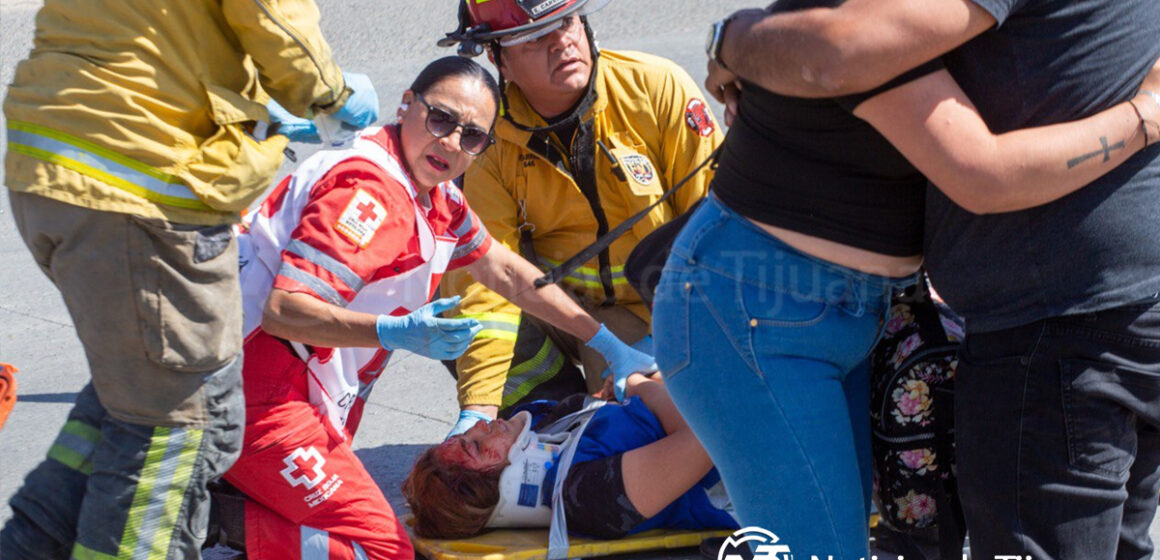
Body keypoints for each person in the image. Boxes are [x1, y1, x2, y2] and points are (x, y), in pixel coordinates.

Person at [647, 1, 1160, 558]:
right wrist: (1145, 115)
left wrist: (731, 40)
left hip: (838, 313)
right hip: (750, 312)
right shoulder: (865, 29)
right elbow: (980, 172)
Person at [217, 56, 656, 560]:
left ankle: (234, 499)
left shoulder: (434, 194)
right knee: (384, 549)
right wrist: (391, 333)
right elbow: (286, 309)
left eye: (472, 136)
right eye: (441, 119)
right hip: (263, 393)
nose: (451, 143)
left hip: (293, 382)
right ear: (407, 103)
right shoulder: (373, 195)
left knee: (328, 521)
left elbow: (507, 271)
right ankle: (217, 520)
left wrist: (604, 342)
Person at [0, 0, 378, 557]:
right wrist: (331, 94)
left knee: (128, 399)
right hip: (139, 186)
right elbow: (270, 13)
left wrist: (250, 105)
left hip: (55, 166)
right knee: (179, 429)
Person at [436, 0, 722, 435]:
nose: (562, 42)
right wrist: (479, 408)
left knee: (648, 421)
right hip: (568, 314)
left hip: (662, 315)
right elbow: (486, 286)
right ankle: (553, 421)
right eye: (534, 37)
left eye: (567, 21)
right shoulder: (487, 144)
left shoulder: (656, 88)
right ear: (498, 59)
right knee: (447, 293)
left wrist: (689, 345)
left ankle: (607, 411)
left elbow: (719, 231)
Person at [403, 373, 739, 543]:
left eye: (467, 434)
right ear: (493, 488)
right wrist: (637, 383)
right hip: (767, 460)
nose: (479, 425)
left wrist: (633, 385)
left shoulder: (553, 426)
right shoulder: (589, 497)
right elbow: (711, 437)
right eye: (474, 446)